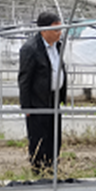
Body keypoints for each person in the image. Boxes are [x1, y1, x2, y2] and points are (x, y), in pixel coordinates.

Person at [17, 11, 67, 175]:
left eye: (60, 29)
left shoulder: (57, 46)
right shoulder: (31, 48)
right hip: (38, 101)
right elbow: (24, 79)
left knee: (54, 137)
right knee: (39, 138)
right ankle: (39, 171)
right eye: (55, 29)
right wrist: (27, 107)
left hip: (54, 99)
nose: (59, 33)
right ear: (43, 30)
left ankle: (52, 169)